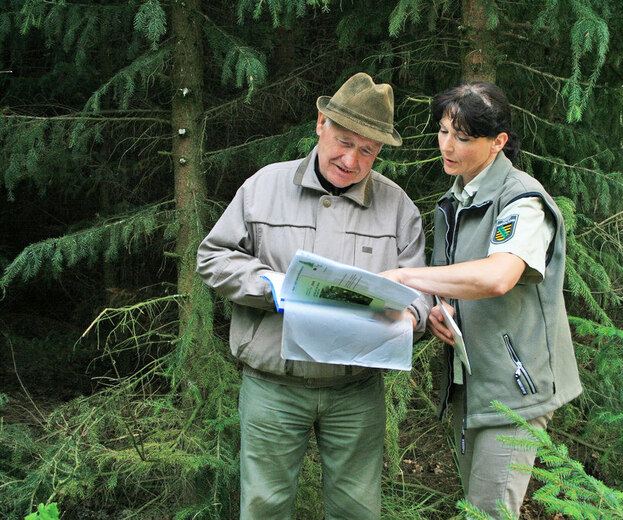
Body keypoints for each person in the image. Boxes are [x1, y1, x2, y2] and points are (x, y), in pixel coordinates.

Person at [196, 72, 430, 520]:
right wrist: (274, 287)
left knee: (357, 508)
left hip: (356, 390)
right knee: (264, 506)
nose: (351, 159)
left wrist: (413, 319)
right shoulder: (264, 187)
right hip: (273, 386)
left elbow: (420, 289)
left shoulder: (398, 207)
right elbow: (213, 258)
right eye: (344, 141)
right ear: (320, 123)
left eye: (368, 150)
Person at [381, 82, 582, 518]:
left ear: (499, 142)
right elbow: (459, 281)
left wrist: (403, 275)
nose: (447, 146)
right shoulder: (456, 199)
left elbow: (497, 277)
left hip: (513, 389)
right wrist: (441, 308)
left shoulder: (522, 201)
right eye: (442, 131)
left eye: (463, 137)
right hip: (470, 386)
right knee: (477, 508)